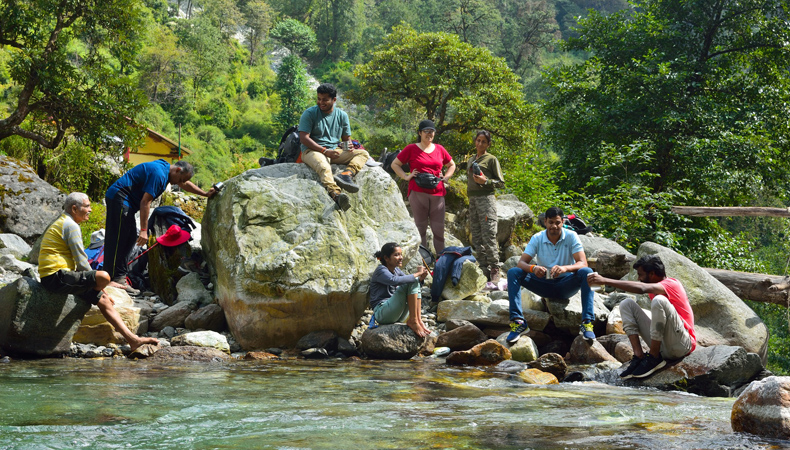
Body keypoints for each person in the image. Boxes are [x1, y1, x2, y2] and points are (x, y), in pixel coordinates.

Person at [38, 193, 160, 351]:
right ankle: (104, 287)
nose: (90, 210)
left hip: (60, 276)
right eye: (87, 206)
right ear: (74, 209)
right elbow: (82, 261)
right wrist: (102, 284)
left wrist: (101, 290)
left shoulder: (66, 222)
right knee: (103, 276)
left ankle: (133, 339)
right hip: (55, 277)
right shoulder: (70, 225)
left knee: (103, 300)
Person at [104, 159, 216, 293]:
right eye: (180, 180)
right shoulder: (159, 175)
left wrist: (204, 194)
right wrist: (144, 231)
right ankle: (109, 278)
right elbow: (145, 202)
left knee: (130, 236)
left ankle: (119, 277)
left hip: (125, 200)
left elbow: (186, 184)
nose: (179, 184)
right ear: (178, 170)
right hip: (119, 197)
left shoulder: (167, 169)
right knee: (119, 238)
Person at [587, 255, 696, 379]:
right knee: (626, 304)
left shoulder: (672, 284)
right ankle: (639, 356)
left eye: (640, 275)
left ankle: (654, 357)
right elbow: (640, 287)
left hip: (682, 345)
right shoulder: (653, 287)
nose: (639, 278)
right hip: (665, 347)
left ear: (652, 274)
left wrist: (605, 280)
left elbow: (642, 288)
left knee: (659, 300)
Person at [506, 206, 596, 344]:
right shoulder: (537, 238)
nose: (554, 226)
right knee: (513, 272)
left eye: (557, 222)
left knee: (587, 272)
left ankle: (587, 322)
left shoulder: (571, 236)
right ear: (545, 222)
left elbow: (583, 263)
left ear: (563, 222)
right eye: (551, 222)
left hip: (565, 285)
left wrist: (565, 268)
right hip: (543, 284)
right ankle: (518, 322)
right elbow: (521, 263)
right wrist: (533, 268)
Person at [298, 83, 370, 212]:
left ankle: (347, 174)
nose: (321, 102)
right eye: (319, 99)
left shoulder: (342, 116)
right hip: (312, 151)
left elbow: (346, 139)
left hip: (334, 151)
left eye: (325, 99)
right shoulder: (309, 113)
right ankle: (336, 194)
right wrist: (325, 151)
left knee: (363, 154)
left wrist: (349, 147)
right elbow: (304, 138)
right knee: (323, 166)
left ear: (334, 100)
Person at [391, 120, 456, 254]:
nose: (429, 134)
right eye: (426, 131)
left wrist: (447, 177)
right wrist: (406, 176)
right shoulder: (411, 148)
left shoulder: (440, 149)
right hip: (417, 192)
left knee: (438, 228)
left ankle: (441, 259)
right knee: (420, 227)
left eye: (431, 131)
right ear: (420, 133)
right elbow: (395, 164)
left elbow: (452, 165)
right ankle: (423, 261)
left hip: (437, 193)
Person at [466, 130, 505, 288]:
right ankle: (483, 267)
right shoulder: (470, 159)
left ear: (488, 144)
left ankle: (495, 268)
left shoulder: (491, 159)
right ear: (475, 141)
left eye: (484, 141)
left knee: (488, 234)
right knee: (476, 235)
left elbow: (501, 182)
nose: (480, 143)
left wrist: (486, 181)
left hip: (486, 200)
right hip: (473, 200)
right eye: (478, 140)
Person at [369, 243, 431, 337]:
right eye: (396, 255)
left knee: (413, 281)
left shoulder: (397, 270)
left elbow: (411, 283)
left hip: (397, 314)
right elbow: (394, 281)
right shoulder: (381, 270)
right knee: (412, 280)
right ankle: (413, 321)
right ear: (386, 258)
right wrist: (417, 273)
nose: (401, 257)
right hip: (382, 313)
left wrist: (421, 278)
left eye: (401, 254)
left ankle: (418, 320)